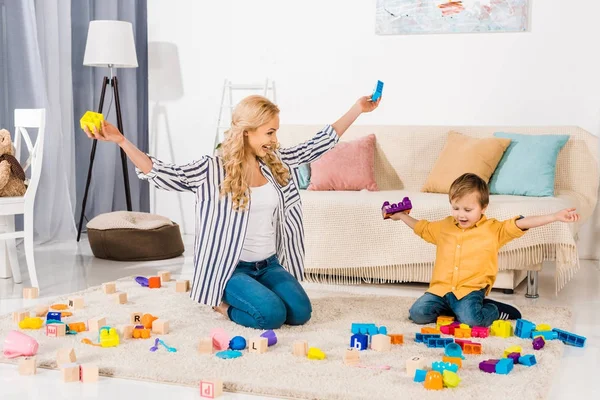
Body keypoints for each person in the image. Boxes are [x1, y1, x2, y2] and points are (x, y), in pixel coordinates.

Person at [83, 94, 380, 329]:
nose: (274, 140)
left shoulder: (276, 162)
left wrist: (357, 109)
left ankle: (257, 293)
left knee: (300, 313)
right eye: (270, 132)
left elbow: (319, 143)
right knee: (271, 316)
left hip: (268, 264)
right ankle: (220, 302)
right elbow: (160, 172)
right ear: (247, 133)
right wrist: (121, 140)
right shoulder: (212, 169)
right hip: (230, 269)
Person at [385, 172, 579, 327]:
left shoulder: (493, 230)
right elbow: (422, 227)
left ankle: (492, 309)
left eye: (468, 210)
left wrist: (554, 216)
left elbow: (521, 223)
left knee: (472, 321)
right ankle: (457, 310)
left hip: (470, 291)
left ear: (483, 207)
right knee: (417, 314)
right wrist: (401, 215)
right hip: (441, 290)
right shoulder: (444, 226)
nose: (461, 215)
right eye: (456, 208)